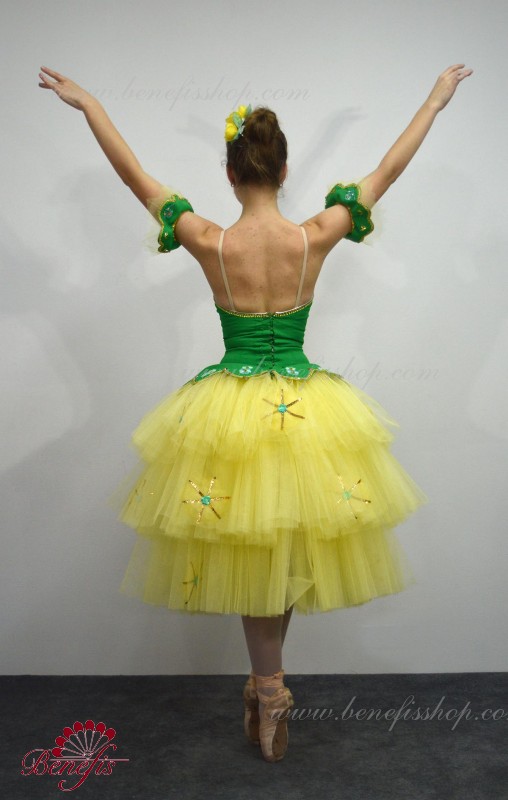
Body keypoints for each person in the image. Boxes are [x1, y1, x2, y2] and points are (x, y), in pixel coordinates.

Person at [39, 63, 472, 762]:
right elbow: (387, 171)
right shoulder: (314, 235)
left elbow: (135, 177)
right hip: (306, 409)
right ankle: (267, 686)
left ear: (231, 172)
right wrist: (434, 101)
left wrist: (89, 105)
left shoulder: (211, 240)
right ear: (285, 169)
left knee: (260, 549)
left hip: (231, 409)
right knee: (280, 547)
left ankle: (266, 687)